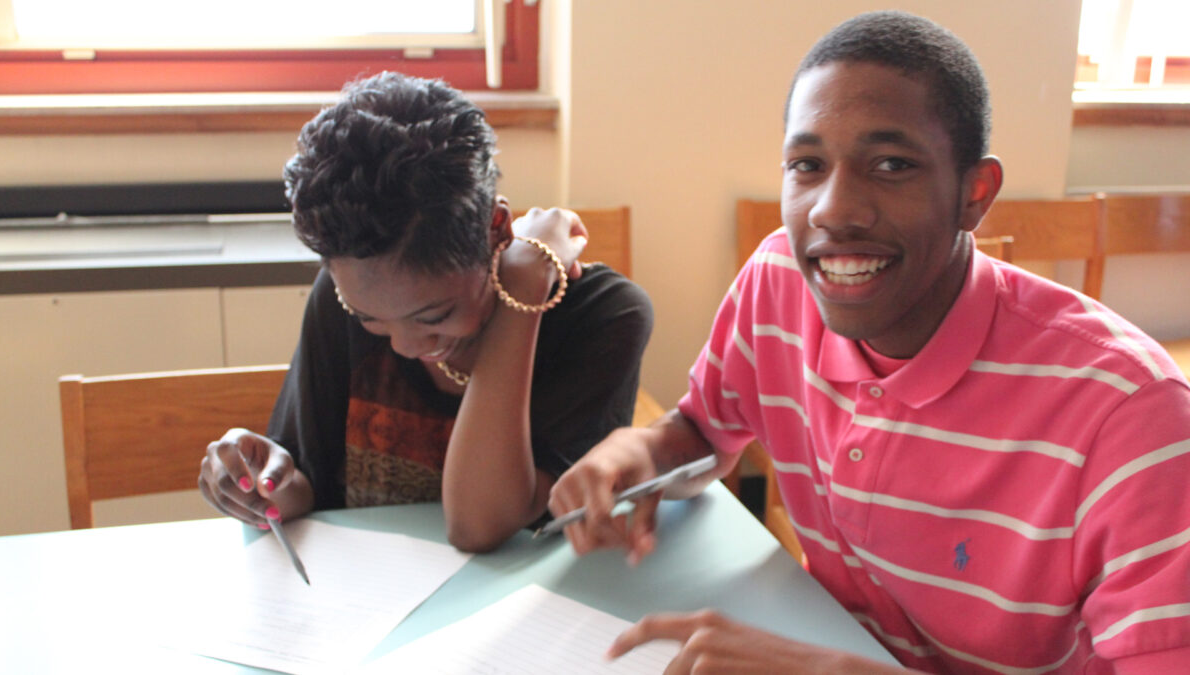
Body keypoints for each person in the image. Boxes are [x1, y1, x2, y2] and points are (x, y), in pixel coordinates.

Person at [548, 11, 1190, 673]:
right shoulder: (778, 284)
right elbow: (705, 429)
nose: (833, 208)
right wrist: (642, 448)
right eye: (807, 164)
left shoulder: (1132, 414)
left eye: (891, 164)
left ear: (975, 193)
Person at [198, 72, 653, 553]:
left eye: (434, 316)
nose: (404, 346)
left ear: (497, 229)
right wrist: (261, 482)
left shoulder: (604, 318)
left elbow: (479, 524)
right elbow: (306, 489)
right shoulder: (342, 297)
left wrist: (524, 290)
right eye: (367, 318)